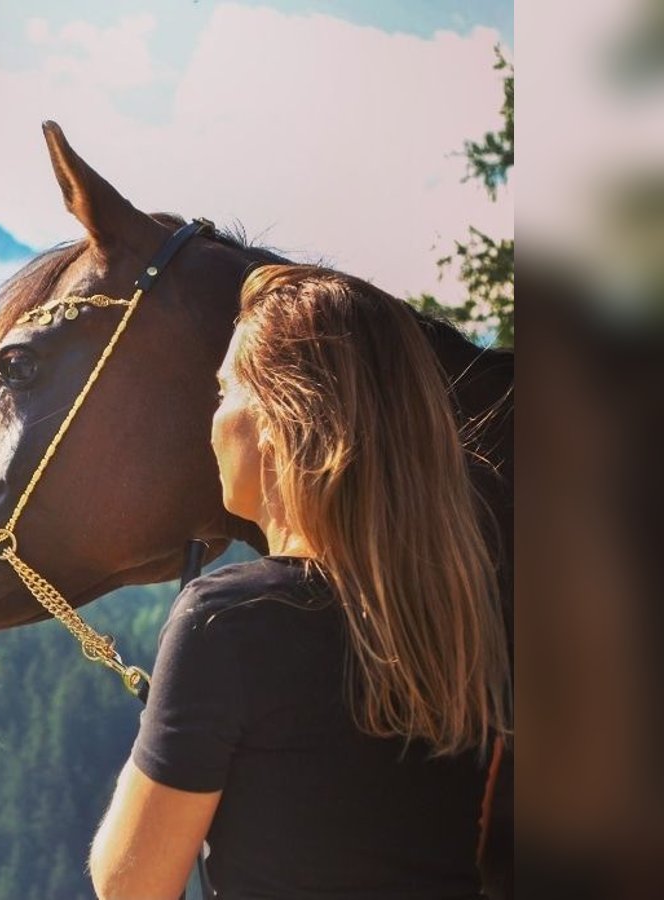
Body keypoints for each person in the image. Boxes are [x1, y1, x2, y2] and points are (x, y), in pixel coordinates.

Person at [89, 264, 511, 899]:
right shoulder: (468, 612)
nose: (213, 419)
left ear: (278, 419)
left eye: (225, 389)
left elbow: (131, 884)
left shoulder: (228, 620)